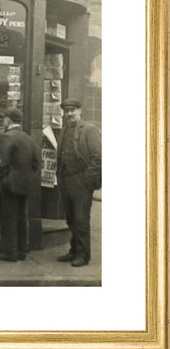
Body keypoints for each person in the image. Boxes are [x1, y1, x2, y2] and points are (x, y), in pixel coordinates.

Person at [56, 98, 101, 267]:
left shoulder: (89, 130)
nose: (69, 114)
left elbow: (97, 158)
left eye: (72, 110)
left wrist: (86, 180)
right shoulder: (64, 130)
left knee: (81, 220)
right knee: (71, 219)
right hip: (65, 180)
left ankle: (83, 255)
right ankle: (74, 251)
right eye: (66, 111)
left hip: (81, 181)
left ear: (80, 111)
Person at [0, 108, 40, 262]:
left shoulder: (7, 137)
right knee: (22, 216)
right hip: (26, 184)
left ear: (9, 120)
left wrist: (2, 177)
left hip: (10, 183)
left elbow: (3, 162)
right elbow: (36, 162)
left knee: (9, 217)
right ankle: (22, 250)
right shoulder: (27, 137)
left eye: (4, 118)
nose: (3, 121)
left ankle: (9, 252)